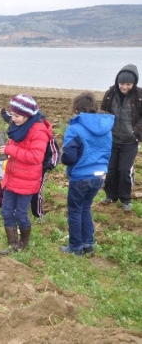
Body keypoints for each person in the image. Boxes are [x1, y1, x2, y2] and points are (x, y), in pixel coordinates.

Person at [0, 95, 52, 255]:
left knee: (21, 214)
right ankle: (13, 244)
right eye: (11, 115)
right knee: (6, 211)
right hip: (12, 176)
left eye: (17, 116)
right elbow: (16, 149)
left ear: (28, 115)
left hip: (27, 180)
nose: (13, 119)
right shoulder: (18, 127)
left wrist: (10, 150)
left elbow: (36, 157)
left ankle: (23, 243)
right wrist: (6, 151)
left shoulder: (38, 131)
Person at [61, 92, 114, 256]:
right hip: (99, 175)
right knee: (86, 207)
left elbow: (69, 156)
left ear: (76, 109)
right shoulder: (106, 128)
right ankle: (88, 244)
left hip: (80, 176)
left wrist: (65, 161)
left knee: (75, 210)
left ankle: (75, 247)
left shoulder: (74, 128)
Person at [100, 64, 142, 212]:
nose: (124, 87)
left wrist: (134, 131)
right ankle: (110, 195)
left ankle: (125, 199)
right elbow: (104, 112)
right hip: (111, 140)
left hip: (130, 142)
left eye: (128, 84)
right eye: (122, 83)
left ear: (134, 83)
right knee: (111, 170)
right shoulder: (111, 93)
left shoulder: (139, 95)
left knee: (124, 170)